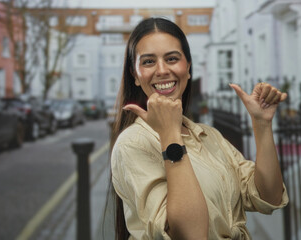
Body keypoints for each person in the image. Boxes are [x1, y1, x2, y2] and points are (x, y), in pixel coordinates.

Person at [110, 17, 289, 240]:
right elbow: (190, 234)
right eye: (148, 62)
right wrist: (170, 136)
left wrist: (262, 124)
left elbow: (269, 196)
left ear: (188, 68)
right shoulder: (133, 143)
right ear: (135, 76)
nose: (162, 70)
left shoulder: (208, 135)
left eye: (172, 58)